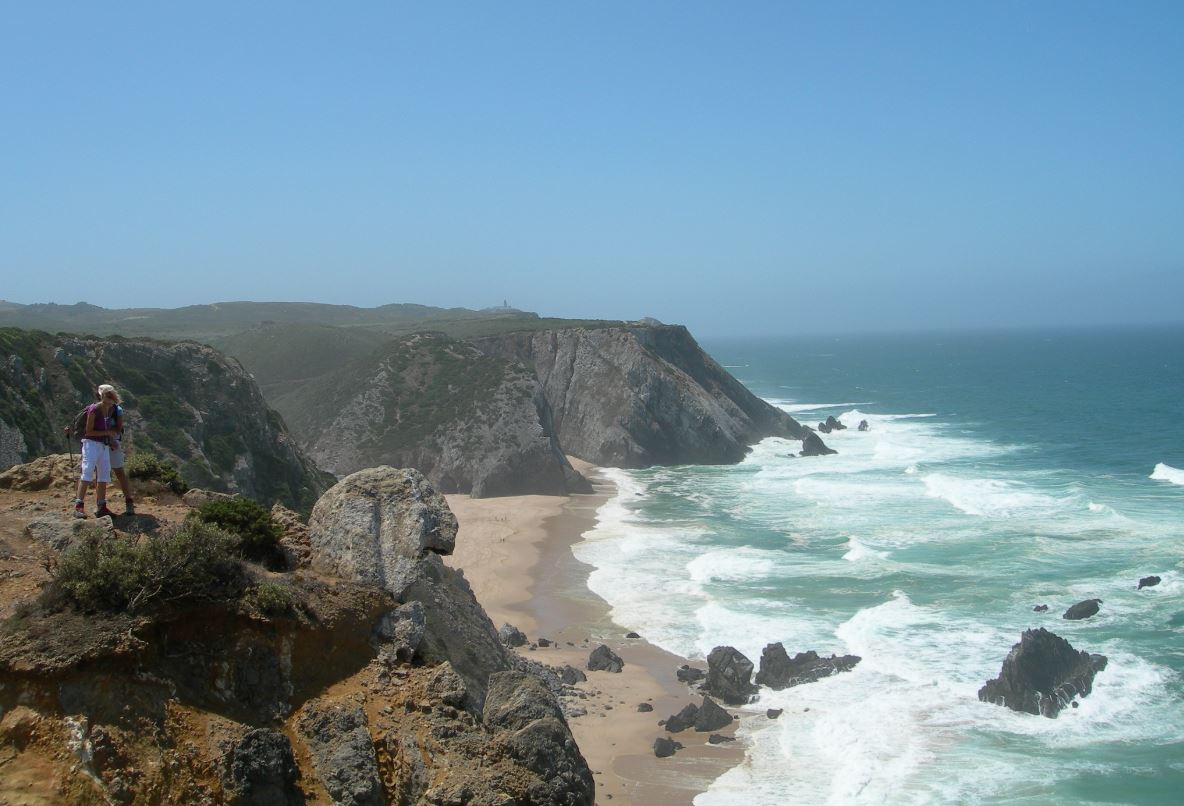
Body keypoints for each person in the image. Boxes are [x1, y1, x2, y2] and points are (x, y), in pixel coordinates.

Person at [73, 385, 120, 518]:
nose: (111, 399)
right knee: (87, 472)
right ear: (102, 396)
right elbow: (89, 431)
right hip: (91, 444)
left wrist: (110, 440)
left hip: (102, 445)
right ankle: (79, 506)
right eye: (109, 396)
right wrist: (108, 433)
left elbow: (104, 428)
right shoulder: (94, 409)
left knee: (104, 474)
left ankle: (101, 506)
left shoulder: (109, 409)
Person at [102, 384, 135, 515]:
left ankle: (129, 501)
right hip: (101, 444)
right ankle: (101, 504)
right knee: (103, 475)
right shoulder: (96, 409)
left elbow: (118, 428)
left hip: (111, 444)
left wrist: (110, 438)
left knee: (118, 472)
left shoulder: (117, 410)